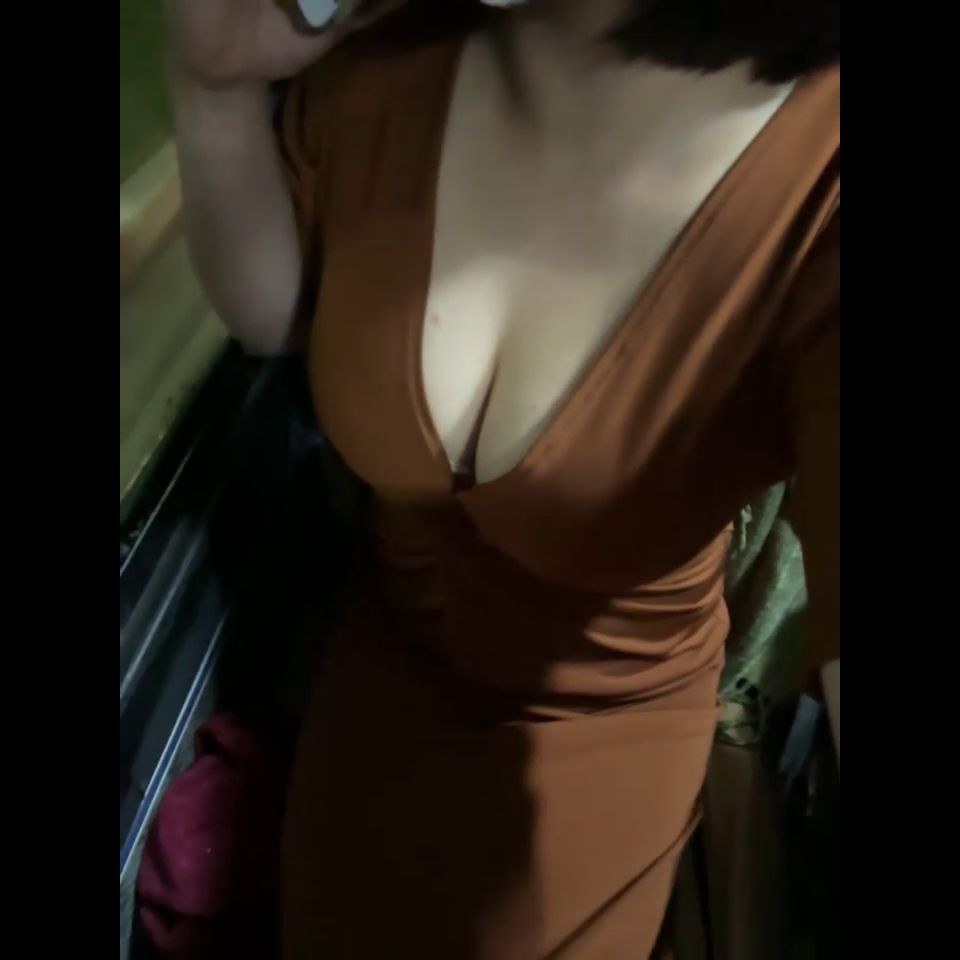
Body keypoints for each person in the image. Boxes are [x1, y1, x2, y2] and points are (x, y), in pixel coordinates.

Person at [167, 0, 839, 956]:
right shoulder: (395, 41)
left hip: (604, 728)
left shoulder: (820, 172)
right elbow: (277, 315)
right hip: (378, 681)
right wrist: (216, 92)